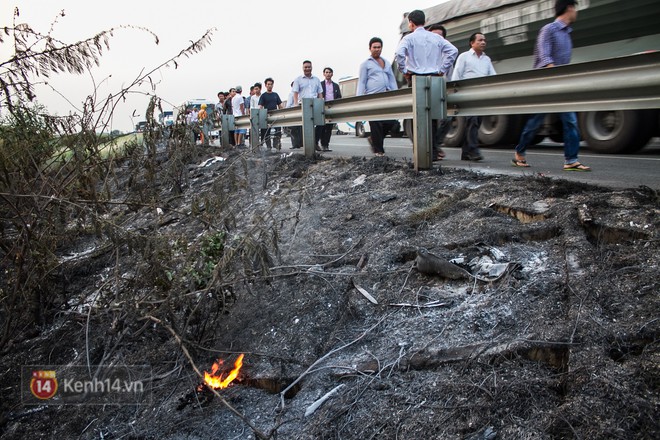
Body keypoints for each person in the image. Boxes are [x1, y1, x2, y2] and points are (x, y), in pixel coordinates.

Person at [512, 0, 591, 171]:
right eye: (575, 8)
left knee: (570, 121)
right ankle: (519, 152)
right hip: (545, 84)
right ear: (569, 8)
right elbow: (545, 57)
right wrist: (555, 76)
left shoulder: (567, 34)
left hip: (560, 84)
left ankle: (571, 160)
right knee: (535, 122)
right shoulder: (549, 29)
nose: (576, 12)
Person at [395, 9, 458, 161]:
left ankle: (421, 152)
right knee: (433, 115)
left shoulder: (408, 39)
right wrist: (442, 69)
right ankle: (433, 152)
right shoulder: (435, 38)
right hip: (434, 78)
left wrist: (404, 70)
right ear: (424, 21)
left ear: (410, 23)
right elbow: (453, 51)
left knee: (418, 117)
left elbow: (399, 54)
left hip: (416, 78)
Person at [451, 32, 497, 161]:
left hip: (481, 95)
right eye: (480, 40)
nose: (483, 42)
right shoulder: (464, 57)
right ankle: (473, 150)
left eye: (485, 40)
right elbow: (457, 74)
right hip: (467, 94)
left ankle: (466, 153)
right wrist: (455, 94)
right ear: (472, 43)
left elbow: (492, 76)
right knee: (473, 121)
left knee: (475, 122)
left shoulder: (486, 59)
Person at [356, 37, 399, 157]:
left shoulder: (386, 62)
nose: (377, 49)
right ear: (370, 48)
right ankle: (378, 150)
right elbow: (362, 82)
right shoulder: (365, 64)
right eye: (374, 47)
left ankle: (373, 140)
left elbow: (392, 80)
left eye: (379, 47)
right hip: (372, 98)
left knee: (392, 123)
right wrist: (359, 99)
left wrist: (396, 95)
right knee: (375, 125)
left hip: (386, 98)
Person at [429, 24, 453, 160]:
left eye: (440, 36)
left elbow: (450, 75)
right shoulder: (426, 53)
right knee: (431, 122)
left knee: (447, 118)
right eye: (434, 35)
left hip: (443, 89)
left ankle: (435, 145)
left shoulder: (448, 53)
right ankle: (431, 150)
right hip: (429, 90)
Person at [290, 60, 323, 150]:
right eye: (305, 67)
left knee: (320, 123)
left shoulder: (316, 79)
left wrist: (320, 103)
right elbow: (295, 93)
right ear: (303, 68)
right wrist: (296, 104)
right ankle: (307, 145)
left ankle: (315, 142)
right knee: (305, 125)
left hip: (315, 104)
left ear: (311, 67)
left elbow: (320, 92)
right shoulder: (298, 79)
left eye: (309, 67)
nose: (307, 69)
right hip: (303, 105)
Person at [317, 67, 342, 152]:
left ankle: (326, 145)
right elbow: (317, 96)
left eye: (329, 72)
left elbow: (339, 97)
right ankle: (318, 143)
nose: (328, 74)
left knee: (329, 128)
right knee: (321, 127)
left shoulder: (335, 86)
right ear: (324, 74)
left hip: (332, 109)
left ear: (332, 74)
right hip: (322, 109)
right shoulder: (320, 85)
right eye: (326, 72)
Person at [258, 77, 284, 150]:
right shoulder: (263, 95)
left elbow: (280, 105)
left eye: (271, 84)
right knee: (266, 132)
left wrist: (283, 112)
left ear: (273, 85)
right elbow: (260, 106)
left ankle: (276, 144)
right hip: (267, 115)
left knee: (278, 130)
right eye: (268, 84)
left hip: (275, 115)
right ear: (266, 85)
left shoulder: (275, 94)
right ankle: (268, 146)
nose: (270, 85)